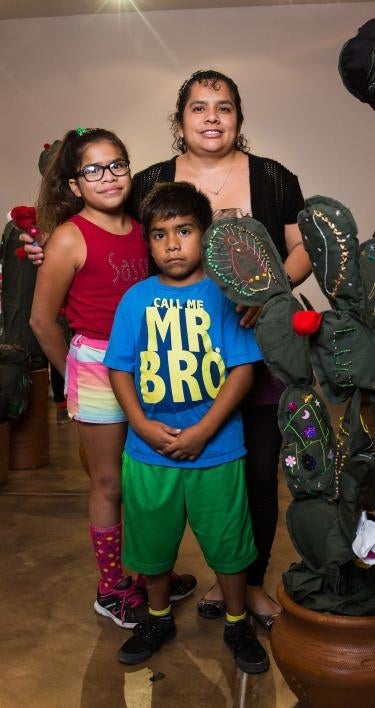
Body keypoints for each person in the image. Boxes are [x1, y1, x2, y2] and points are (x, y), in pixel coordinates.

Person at [128, 69, 312, 629]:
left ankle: (246, 585)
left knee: (256, 472)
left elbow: (303, 247)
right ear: (180, 121)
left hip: (252, 352)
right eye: (199, 108)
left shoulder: (274, 178)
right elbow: (109, 235)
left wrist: (269, 286)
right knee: (170, 483)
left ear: (239, 119)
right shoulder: (149, 181)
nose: (212, 117)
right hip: (171, 358)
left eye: (224, 107)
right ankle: (167, 581)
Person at [29, 128, 195, 629]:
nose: (108, 177)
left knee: (145, 478)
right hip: (99, 364)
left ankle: (148, 573)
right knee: (108, 482)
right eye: (93, 169)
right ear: (76, 183)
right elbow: (42, 321)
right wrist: (77, 373)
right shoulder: (68, 237)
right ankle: (111, 587)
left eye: (117, 164)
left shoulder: (144, 226)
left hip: (150, 364)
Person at [104, 181, 269, 673]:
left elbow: (243, 369)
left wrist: (204, 431)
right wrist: (139, 423)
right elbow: (119, 367)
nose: (172, 245)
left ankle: (237, 621)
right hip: (148, 451)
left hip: (216, 451)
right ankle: (157, 617)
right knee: (152, 544)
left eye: (184, 231)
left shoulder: (224, 296)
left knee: (228, 541)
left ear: (205, 235)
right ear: (148, 242)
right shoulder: (136, 300)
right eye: (159, 235)